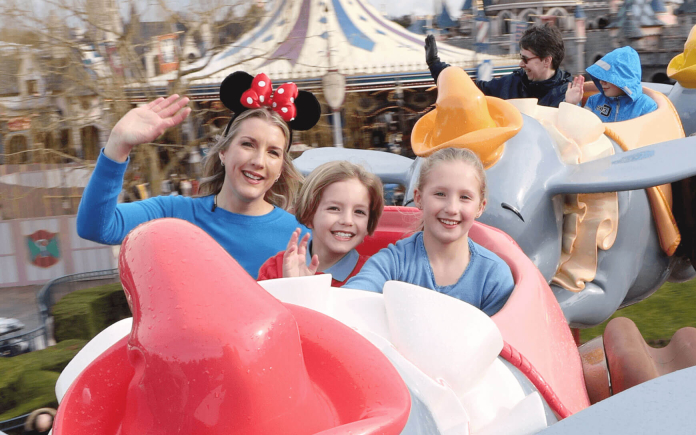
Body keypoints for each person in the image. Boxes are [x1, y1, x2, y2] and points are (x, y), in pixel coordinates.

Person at [76, 72, 321, 278]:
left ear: (280, 169)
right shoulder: (173, 215)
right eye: (248, 144)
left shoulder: (300, 236)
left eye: (273, 153)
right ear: (223, 152)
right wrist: (118, 145)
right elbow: (97, 227)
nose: (258, 161)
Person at [342, 148, 515, 317]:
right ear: (418, 198)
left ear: (480, 207)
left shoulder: (494, 276)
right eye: (440, 194)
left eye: (464, 197)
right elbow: (348, 303)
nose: (452, 208)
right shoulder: (393, 263)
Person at [257, 161, 385, 286]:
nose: (347, 221)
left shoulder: (376, 275)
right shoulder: (276, 268)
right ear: (309, 215)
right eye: (334, 208)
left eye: (359, 212)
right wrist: (292, 288)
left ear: (369, 223)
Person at [425, 24, 583, 106]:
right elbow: (467, 88)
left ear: (546, 61)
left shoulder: (568, 93)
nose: (521, 64)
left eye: (526, 59)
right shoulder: (511, 84)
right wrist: (435, 65)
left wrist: (570, 106)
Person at [579, 46, 658, 123]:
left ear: (624, 78)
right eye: (601, 76)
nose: (601, 82)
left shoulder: (647, 106)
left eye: (607, 77)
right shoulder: (594, 101)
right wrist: (572, 103)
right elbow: (580, 130)